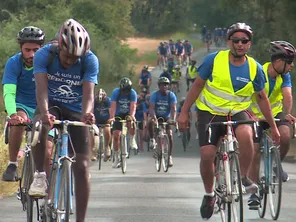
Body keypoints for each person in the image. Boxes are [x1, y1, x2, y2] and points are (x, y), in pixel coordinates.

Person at [177, 22, 280, 220]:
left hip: (238, 111)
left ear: (249, 44)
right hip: (211, 111)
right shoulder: (213, 60)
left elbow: (262, 99)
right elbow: (197, 86)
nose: (240, 44)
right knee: (207, 154)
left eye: (244, 41)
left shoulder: (255, 67)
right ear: (228, 42)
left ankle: (242, 177)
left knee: (247, 136)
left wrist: (274, 126)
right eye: (236, 40)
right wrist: (184, 112)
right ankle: (209, 195)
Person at [28, 19, 99, 222]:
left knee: (83, 166)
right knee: (40, 127)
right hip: (51, 105)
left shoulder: (90, 60)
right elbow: (41, 89)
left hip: (76, 109)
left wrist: (87, 113)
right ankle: (41, 175)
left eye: (75, 58)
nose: (70, 62)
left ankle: (80, 219)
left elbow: (89, 94)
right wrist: (43, 113)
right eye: (67, 56)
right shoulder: (44, 55)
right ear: (59, 45)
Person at [247, 41, 296, 208]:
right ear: (278, 61)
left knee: (285, 135)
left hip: (275, 115)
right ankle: (253, 193)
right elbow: (245, 96)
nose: (292, 65)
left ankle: (277, 165)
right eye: (289, 62)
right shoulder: (258, 71)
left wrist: (287, 114)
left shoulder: (284, 76)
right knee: (254, 151)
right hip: (255, 117)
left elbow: (287, 96)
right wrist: (250, 114)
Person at [1, 26, 51, 181]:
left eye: (36, 50)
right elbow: (9, 92)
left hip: (42, 107)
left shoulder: (49, 62)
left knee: (48, 150)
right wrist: (13, 114)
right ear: (20, 48)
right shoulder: (13, 63)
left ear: (42, 48)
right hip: (22, 105)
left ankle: (48, 187)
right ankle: (13, 164)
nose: (32, 55)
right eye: (27, 50)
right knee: (17, 121)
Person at [109, 77, 138, 168]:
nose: (125, 93)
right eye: (123, 91)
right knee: (116, 135)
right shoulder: (116, 92)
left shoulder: (133, 93)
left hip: (128, 113)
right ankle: (117, 157)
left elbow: (133, 106)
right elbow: (113, 105)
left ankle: (132, 139)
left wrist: (132, 115)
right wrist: (112, 117)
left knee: (131, 121)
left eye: (126, 91)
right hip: (118, 114)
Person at [148, 77, 177, 167]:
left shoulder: (171, 95)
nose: (164, 86)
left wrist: (173, 119)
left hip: (166, 117)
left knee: (170, 135)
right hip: (156, 116)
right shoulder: (155, 95)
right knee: (150, 121)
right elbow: (151, 108)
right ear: (159, 86)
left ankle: (169, 156)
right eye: (162, 85)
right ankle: (152, 139)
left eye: (166, 84)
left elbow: (173, 108)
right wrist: (154, 118)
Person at [92, 88, 112, 162]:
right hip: (96, 122)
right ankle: (93, 151)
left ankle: (107, 147)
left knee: (107, 130)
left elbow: (111, 111)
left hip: (105, 122)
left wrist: (110, 120)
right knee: (92, 132)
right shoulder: (94, 101)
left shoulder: (108, 100)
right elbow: (91, 110)